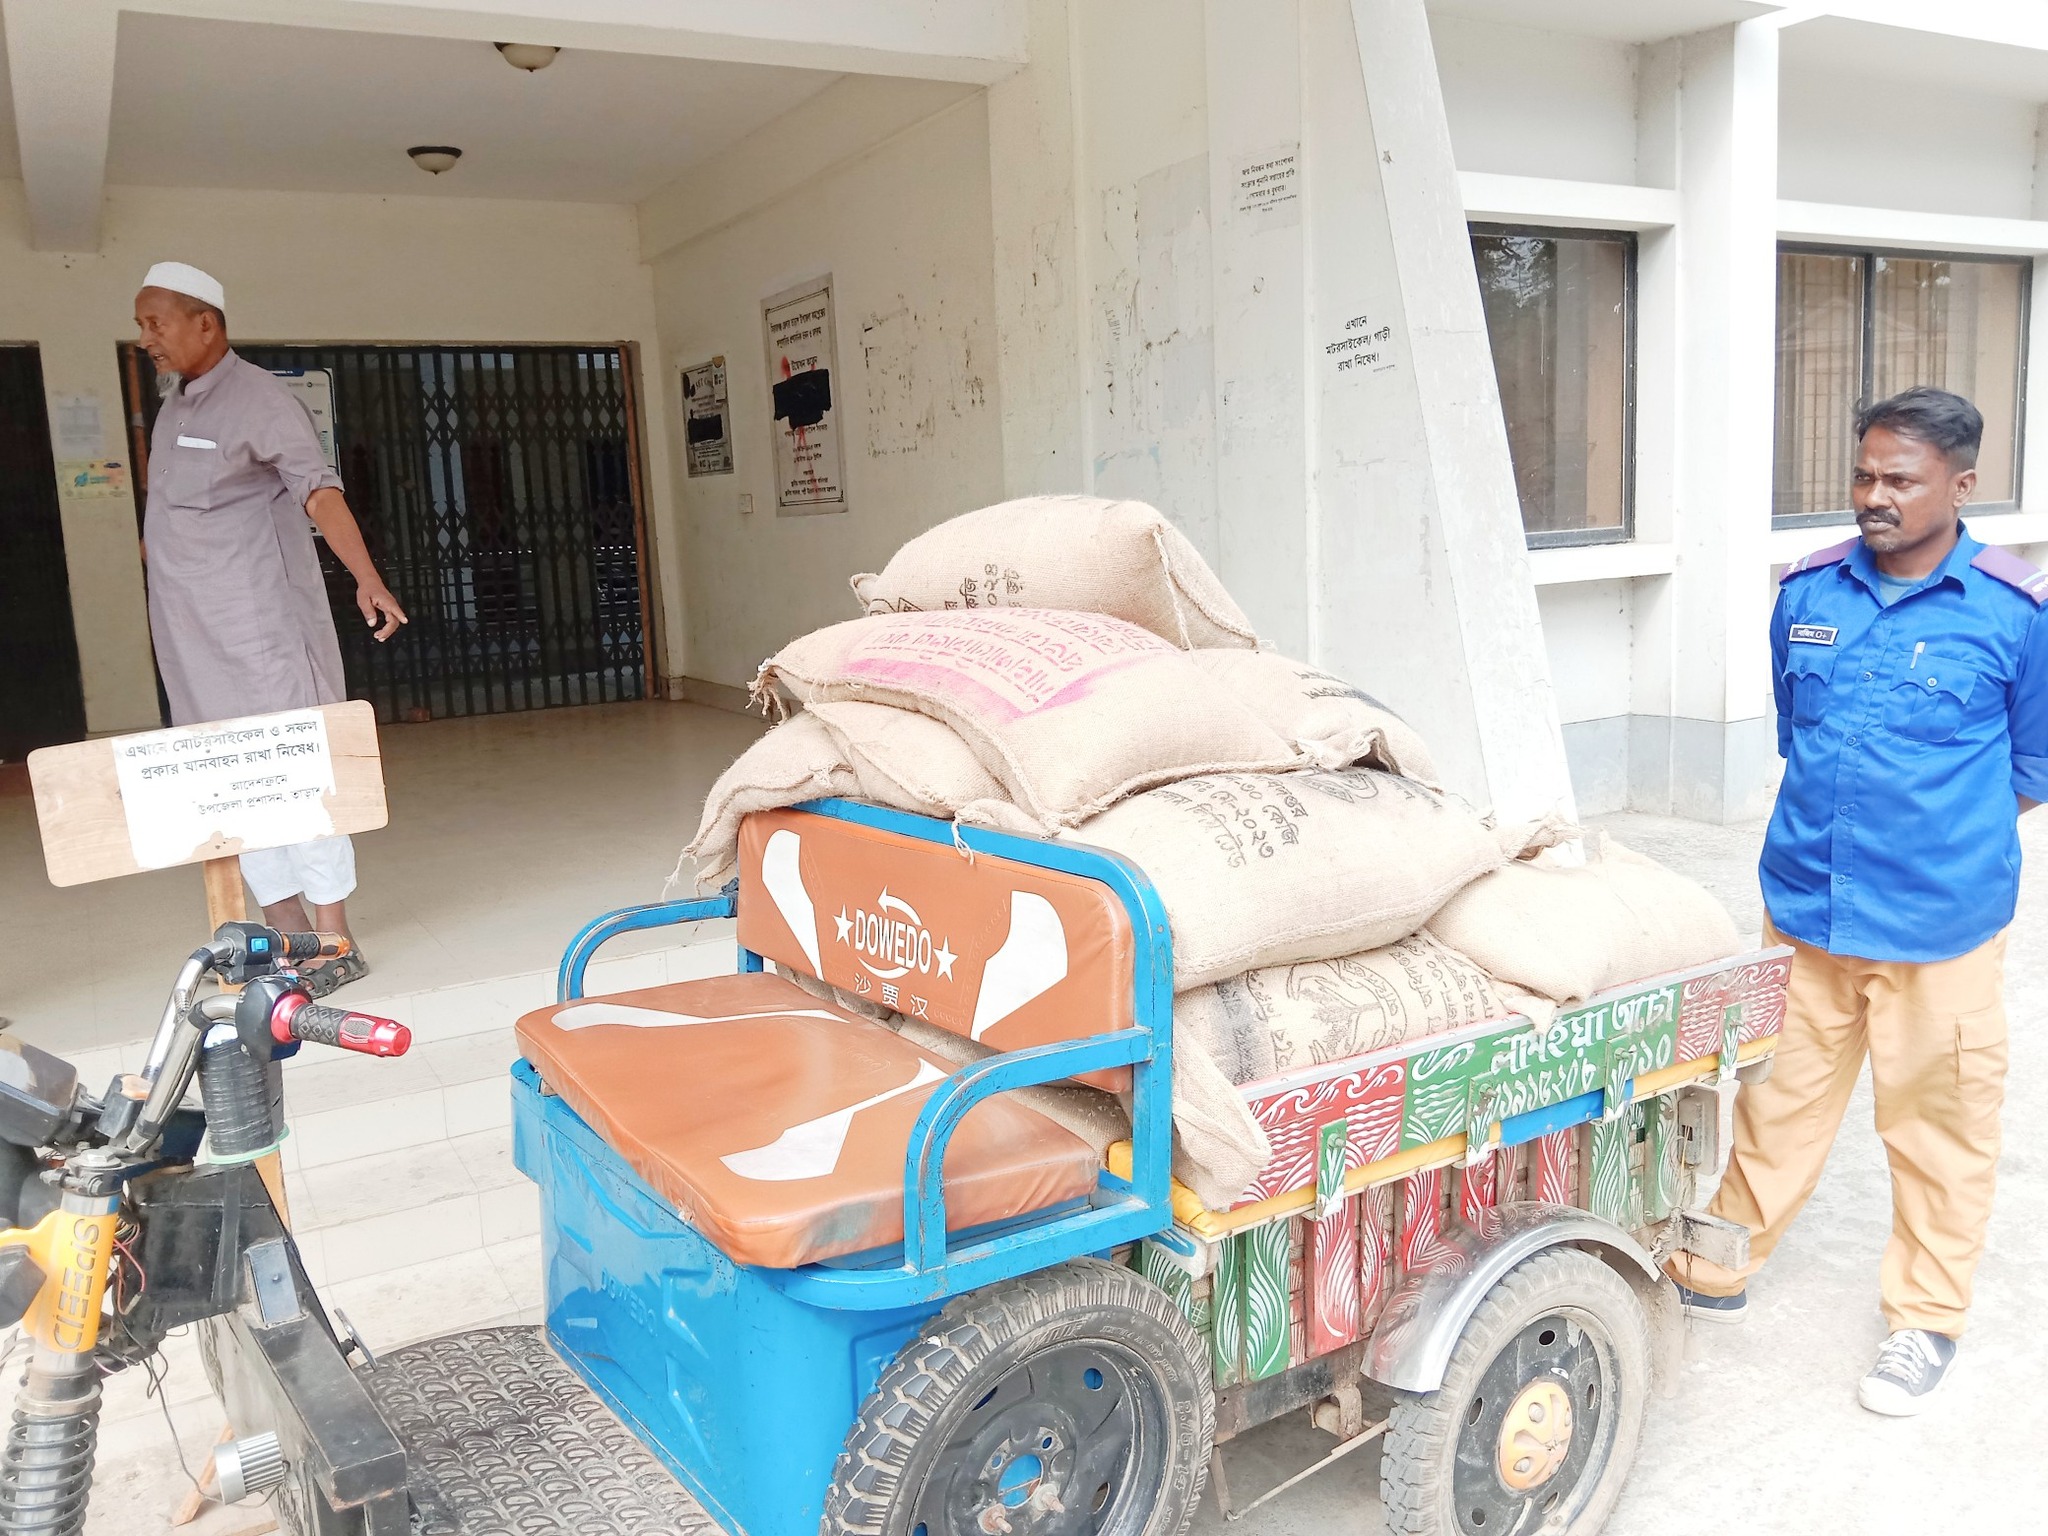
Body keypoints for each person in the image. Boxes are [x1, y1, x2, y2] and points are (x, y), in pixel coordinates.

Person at [1666, 386, 2046, 1415]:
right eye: (1862, 474)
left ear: (1961, 487)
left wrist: (1932, 843)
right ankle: (1717, 1266)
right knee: (1774, 1101)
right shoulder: (1807, 594)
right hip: (1801, 908)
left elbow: (2029, 766)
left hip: (1937, 930)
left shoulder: (2012, 616)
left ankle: (1924, 1320)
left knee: (1934, 1126)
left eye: (1898, 480)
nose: (1871, 496)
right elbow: (1799, 736)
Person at [135, 261, 407, 994]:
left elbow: (318, 492)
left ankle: (334, 939)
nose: (146, 339)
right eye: (141, 325)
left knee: (295, 776)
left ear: (206, 324)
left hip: (259, 631)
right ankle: (284, 935)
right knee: (231, 787)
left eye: (155, 323)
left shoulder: (261, 400)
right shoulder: (175, 405)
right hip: (193, 641)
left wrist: (368, 577)